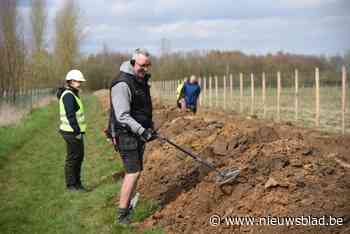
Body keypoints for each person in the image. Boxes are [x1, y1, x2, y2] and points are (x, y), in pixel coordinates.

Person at [108, 48, 157, 225]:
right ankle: (122, 216)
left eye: (147, 65)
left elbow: (142, 108)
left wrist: (150, 126)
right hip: (126, 134)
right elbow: (122, 116)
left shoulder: (139, 80)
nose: (145, 68)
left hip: (137, 134)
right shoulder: (122, 83)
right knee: (133, 172)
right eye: (142, 65)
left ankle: (127, 207)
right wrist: (142, 130)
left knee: (136, 172)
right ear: (132, 62)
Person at [57, 69, 88, 192]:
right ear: (70, 81)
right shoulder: (69, 95)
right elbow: (71, 116)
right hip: (71, 132)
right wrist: (77, 132)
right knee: (73, 158)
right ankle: (71, 185)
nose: (79, 83)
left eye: (80, 81)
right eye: (77, 81)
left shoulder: (72, 93)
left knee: (78, 157)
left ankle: (77, 184)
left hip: (73, 131)